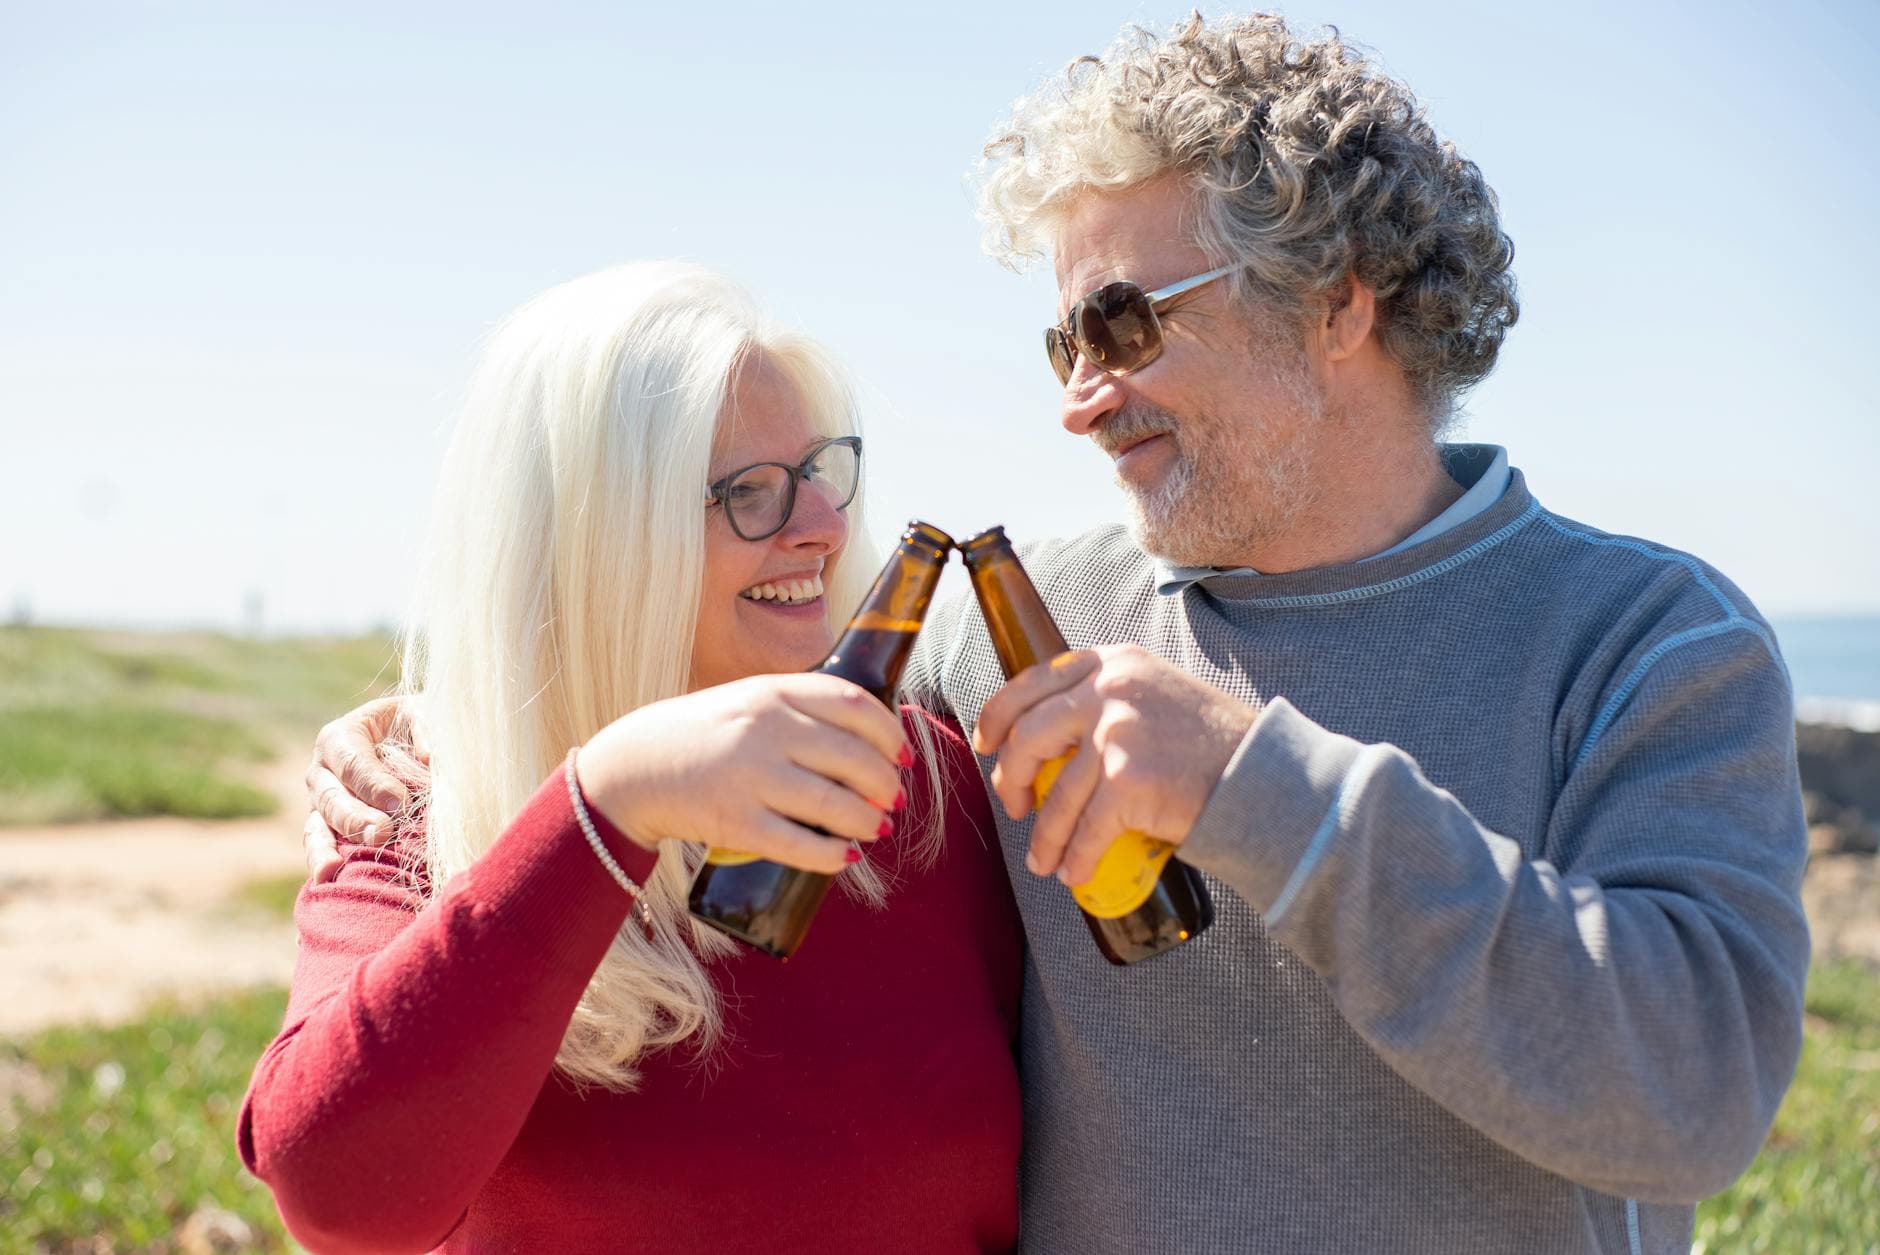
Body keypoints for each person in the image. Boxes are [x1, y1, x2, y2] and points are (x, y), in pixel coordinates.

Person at [304, 15, 1810, 1253]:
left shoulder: (1652, 640)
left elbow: (1695, 1091)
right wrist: (450, 730)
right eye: (1061, 340)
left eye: (1124, 323)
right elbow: (704, 655)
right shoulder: (995, 638)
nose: (1078, 394)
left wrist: (1256, 784)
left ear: (1339, 307)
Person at [240, 262, 1024, 1254]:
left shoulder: (930, 795)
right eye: (749, 492)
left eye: (821, 469)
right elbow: (339, 1199)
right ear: (601, 541)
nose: (823, 526)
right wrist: (606, 803)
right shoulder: (421, 809)